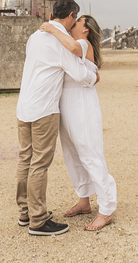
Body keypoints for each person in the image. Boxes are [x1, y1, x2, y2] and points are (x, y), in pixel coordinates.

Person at [15, 0, 96, 237]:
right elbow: (80, 74)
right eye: (75, 19)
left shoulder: (35, 36)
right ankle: (38, 221)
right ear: (71, 15)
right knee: (40, 163)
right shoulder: (61, 41)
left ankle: (25, 213)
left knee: (25, 160)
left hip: (24, 106)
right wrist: (95, 77)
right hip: (44, 109)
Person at [39, 14, 117, 231]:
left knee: (90, 155)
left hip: (82, 105)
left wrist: (52, 28)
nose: (72, 26)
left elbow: (73, 48)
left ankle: (106, 209)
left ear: (86, 30)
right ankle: (84, 200)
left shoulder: (82, 43)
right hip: (67, 105)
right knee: (72, 155)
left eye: (77, 23)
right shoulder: (70, 42)